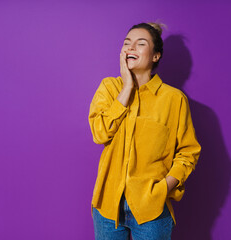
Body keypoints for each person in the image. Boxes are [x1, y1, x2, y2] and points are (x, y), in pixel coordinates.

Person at [88, 22, 201, 240]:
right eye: (126, 43)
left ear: (155, 56)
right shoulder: (109, 88)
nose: (131, 48)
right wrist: (127, 88)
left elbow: (189, 152)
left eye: (140, 44)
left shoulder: (173, 99)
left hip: (152, 210)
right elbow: (99, 133)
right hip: (107, 208)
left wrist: (162, 188)